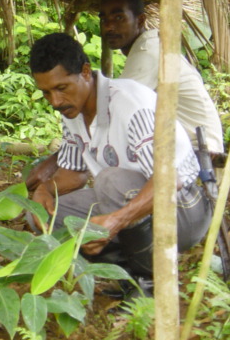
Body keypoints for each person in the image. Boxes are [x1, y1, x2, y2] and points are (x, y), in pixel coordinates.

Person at [29, 33, 211, 291]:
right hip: (129, 199)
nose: (55, 102)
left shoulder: (130, 104)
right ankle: (126, 268)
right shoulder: (72, 111)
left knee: (110, 181)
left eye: (61, 88)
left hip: (183, 209)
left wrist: (115, 221)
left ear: (84, 72)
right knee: (43, 214)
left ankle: (147, 282)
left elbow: (171, 180)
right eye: (46, 93)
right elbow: (73, 176)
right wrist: (43, 190)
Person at [26, 0, 224, 191]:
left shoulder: (150, 52)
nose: (110, 27)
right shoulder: (143, 48)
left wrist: (52, 164)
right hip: (170, 141)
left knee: (112, 179)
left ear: (140, 21)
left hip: (195, 148)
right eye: (104, 20)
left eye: (119, 18)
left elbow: (113, 111)